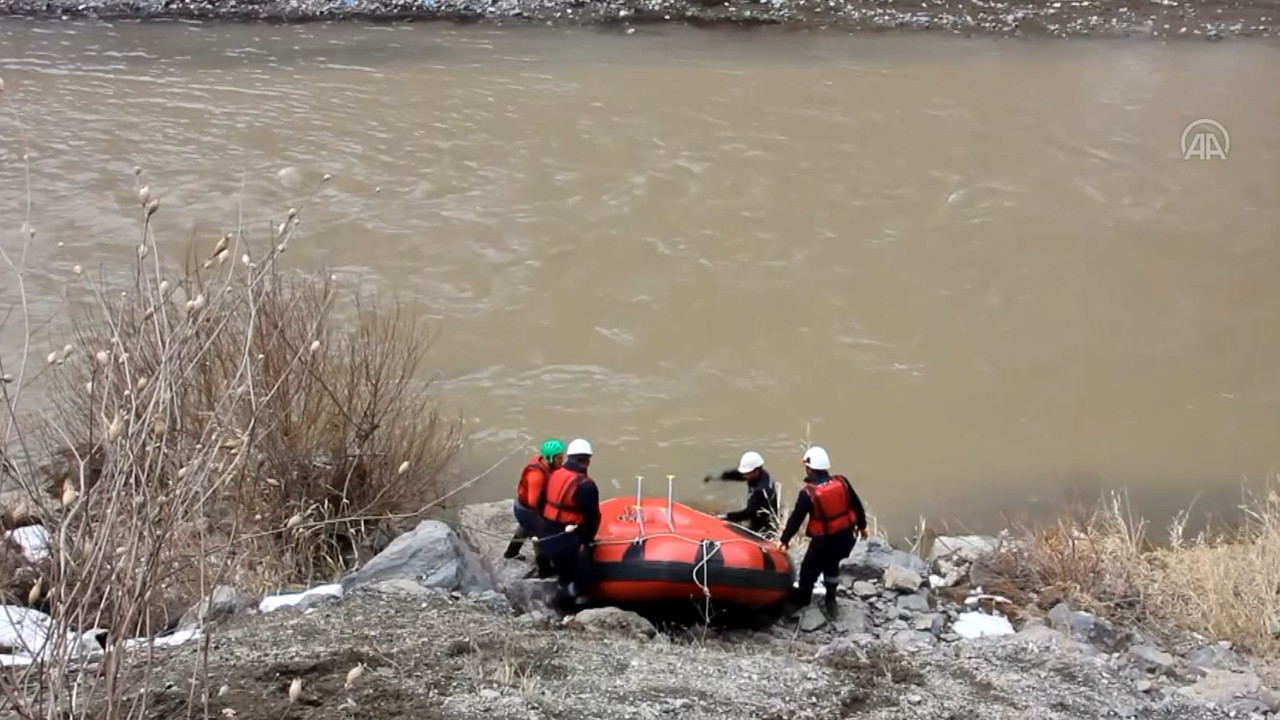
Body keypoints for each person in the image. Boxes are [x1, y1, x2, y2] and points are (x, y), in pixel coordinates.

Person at [778, 446, 868, 617]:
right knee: (832, 565)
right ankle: (831, 599)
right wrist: (862, 527)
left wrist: (784, 540)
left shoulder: (808, 494)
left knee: (808, 569)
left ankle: (804, 598)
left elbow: (796, 519)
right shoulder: (842, 482)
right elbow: (857, 505)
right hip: (846, 538)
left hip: (824, 542)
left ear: (810, 469)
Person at [537, 438, 601, 609]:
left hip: (546, 536)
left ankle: (562, 589)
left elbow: (540, 504)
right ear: (587, 460)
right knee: (581, 575)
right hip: (566, 542)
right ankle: (565, 604)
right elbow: (593, 518)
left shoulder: (553, 475)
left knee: (565, 569)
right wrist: (587, 542)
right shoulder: (586, 486)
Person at [503, 438, 565, 578]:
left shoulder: (544, 464)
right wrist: (542, 520)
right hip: (528, 510)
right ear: (550, 458)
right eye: (559, 458)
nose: (562, 460)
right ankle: (544, 569)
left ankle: (511, 552)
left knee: (524, 528)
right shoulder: (536, 475)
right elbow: (533, 502)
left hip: (523, 507)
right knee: (539, 537)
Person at [703, 451, 780, 537]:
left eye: (747, 473)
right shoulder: (761, 474)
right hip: (758, 513)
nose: (744, 476)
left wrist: (725, 516)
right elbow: (739, 475)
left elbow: (748, 513)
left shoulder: (761, 490)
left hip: (764, 526)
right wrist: (720, 476)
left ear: (756, 470)